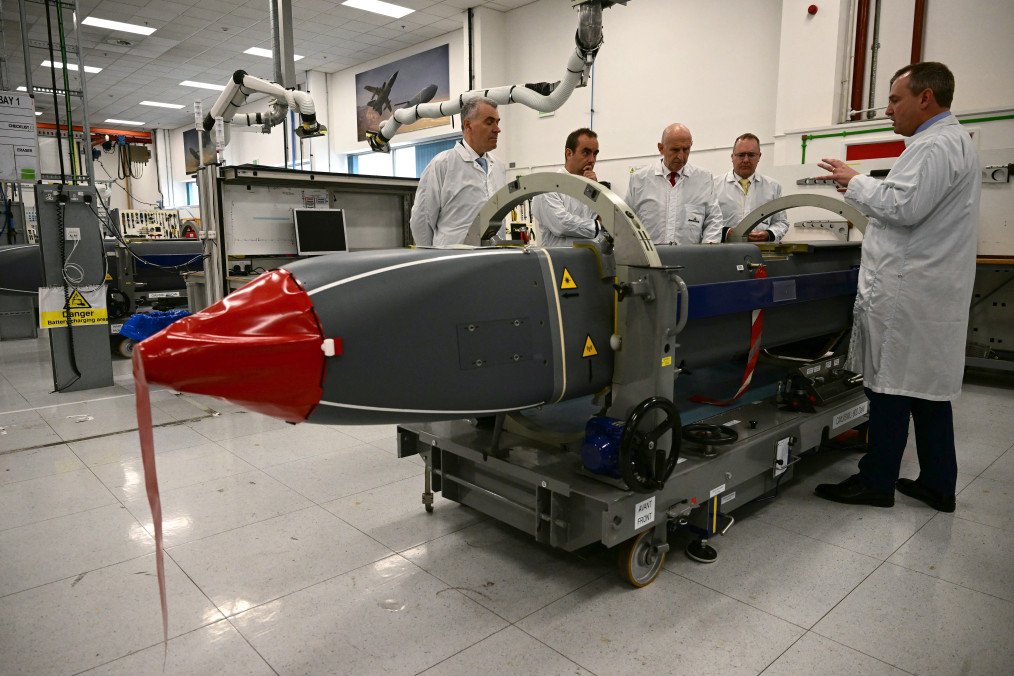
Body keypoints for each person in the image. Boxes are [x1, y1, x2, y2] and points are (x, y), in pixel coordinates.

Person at [813, 62, 980, 511]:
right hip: (926, 291)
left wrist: (855, 181)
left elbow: (902, 206)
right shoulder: (952, 142)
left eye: (894, 99)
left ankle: (876, 481)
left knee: (889, 387)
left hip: (910, 291)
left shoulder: (934, 146)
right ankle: (938, 483)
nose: (887, 109)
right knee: (927, 391)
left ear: (925, 97)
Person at [410, 97, 506, 247]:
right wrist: (432, 259)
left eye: (497, 122)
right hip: (454, 262)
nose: (497, 129)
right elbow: (421, 221)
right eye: (489, 122)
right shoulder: (442, 164)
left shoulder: (499, 167)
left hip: (493, 259)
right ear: (468, 125)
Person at [625, 123, 723, 245]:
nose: (681, 156)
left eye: (686, 149)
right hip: (650, 260)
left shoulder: (704, 180)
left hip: (690, 259)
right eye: (675, 150)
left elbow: (714, 220)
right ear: (661, 148)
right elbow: (626, 222)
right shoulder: (639, 180)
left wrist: (706, 250)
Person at [532, 128, 602, 248]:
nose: (592, 160)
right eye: (586, 153)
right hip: (558, 262)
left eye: (595, 154)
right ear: (569, 153)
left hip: (589, 260)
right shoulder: (548, 187)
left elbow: (607, 217)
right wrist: (597, 225)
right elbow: (562, 225)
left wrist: (597, 191)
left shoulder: (591, 188)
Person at [714, 133, 789, 242]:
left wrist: (769, 234)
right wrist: (726, 232)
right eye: (741, 155)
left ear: (759, 156)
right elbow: (705, 222)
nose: (745, 160)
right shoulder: (714, 186)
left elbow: (781, 222)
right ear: (732, 157)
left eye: (751, 155)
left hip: (759, 251)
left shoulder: (773, 187)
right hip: (724, 251)